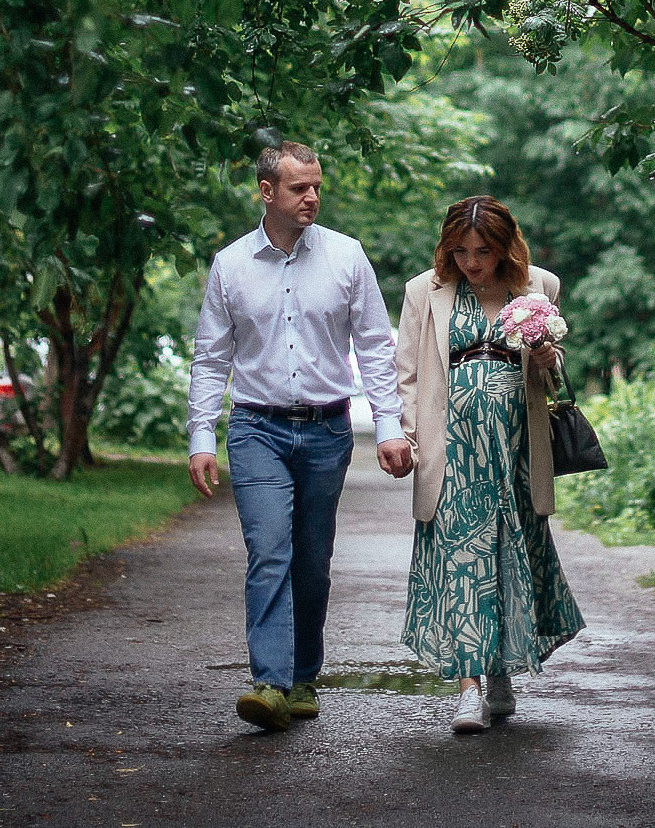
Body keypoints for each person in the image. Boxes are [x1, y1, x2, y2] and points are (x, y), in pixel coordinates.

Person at [188, 141, 413, 731]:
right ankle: (269, 681)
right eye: (299, 188)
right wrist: (201, 439)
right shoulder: (230, 266)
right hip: (256, 428)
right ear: (267, 192)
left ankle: (305, 674)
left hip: (326, 431)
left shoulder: (346, 257)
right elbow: (211, 359)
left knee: (312, 560)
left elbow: (374, 346)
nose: (312, 196)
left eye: (316, 186)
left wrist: (388, 427)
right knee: (270, 553)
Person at [394, 195, 585, 734]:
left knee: (508, 551)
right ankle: (468, 688)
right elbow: (407, 372)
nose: (472, 262)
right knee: (463, 558)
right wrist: (407, 438)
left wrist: (549, 358)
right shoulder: (421, 291)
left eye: (483, 251)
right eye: (460, 251)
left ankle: (498, 666)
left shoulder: (538, 288)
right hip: (450, 446)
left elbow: (549, 374)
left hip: (516, 448)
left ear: (505, 248)